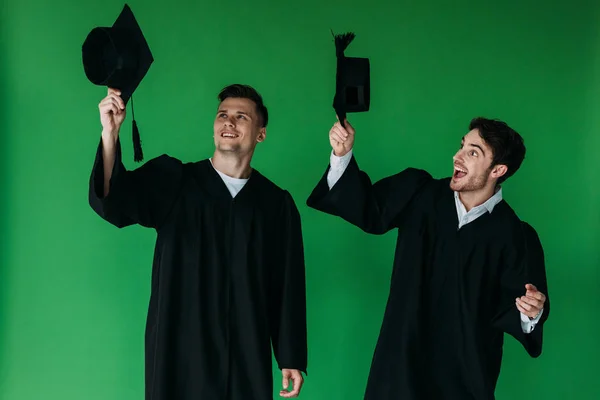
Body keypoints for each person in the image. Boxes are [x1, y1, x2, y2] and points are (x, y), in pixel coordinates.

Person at [89, 84, 308, 400]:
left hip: (245, 354)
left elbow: (286, 283)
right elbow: (113, 201)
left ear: (261, 133)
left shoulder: (275, 204)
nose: (228, 122)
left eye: (241, 116)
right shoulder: (174, 182)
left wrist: (290, 356)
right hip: (179, 351)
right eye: (222, 115)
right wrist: (110, 134)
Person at [306, 116, 550, 399]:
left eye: (473, 152)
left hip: (464, 377)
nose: (457, 156)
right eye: (462, 146)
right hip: (399, 367)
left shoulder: (516, 236)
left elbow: (516, 309)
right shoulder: (418, 193)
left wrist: (531, 312)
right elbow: (366, 208)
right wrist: (342, 153)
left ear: (499, 169)